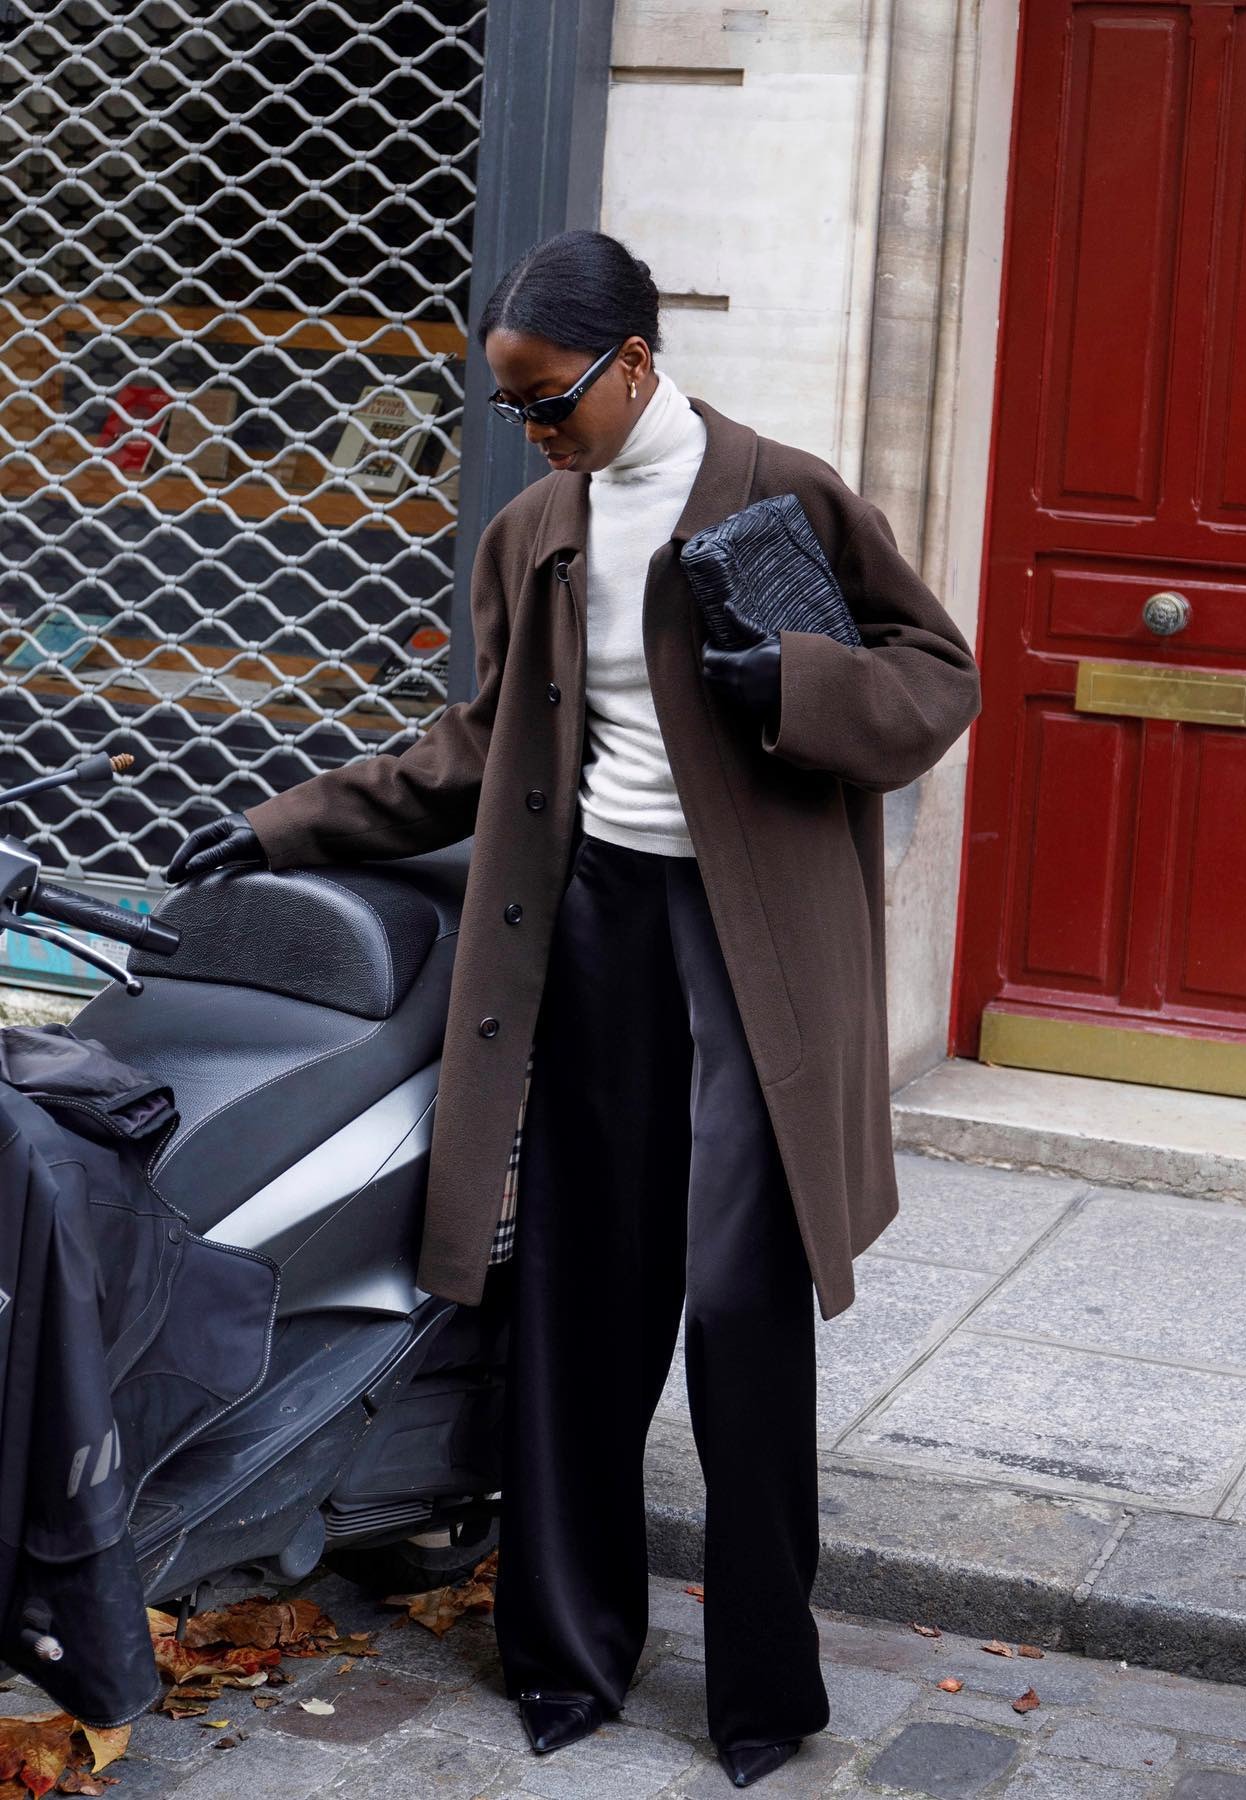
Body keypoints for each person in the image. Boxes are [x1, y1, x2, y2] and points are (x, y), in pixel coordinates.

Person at [167, 229, 981, 1788]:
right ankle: (563, 1654)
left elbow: (936, 677)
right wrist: (279, 824)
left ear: (632, 363)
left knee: (742, 1308)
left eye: (550, 401)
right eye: (514, 411)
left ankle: (763, 1690)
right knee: (581, 1303)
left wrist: (800, 689)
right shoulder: (539, 527)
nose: (535, 434)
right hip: (594, 929)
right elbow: (469, 751)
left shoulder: (784, 490)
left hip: (756, 952)